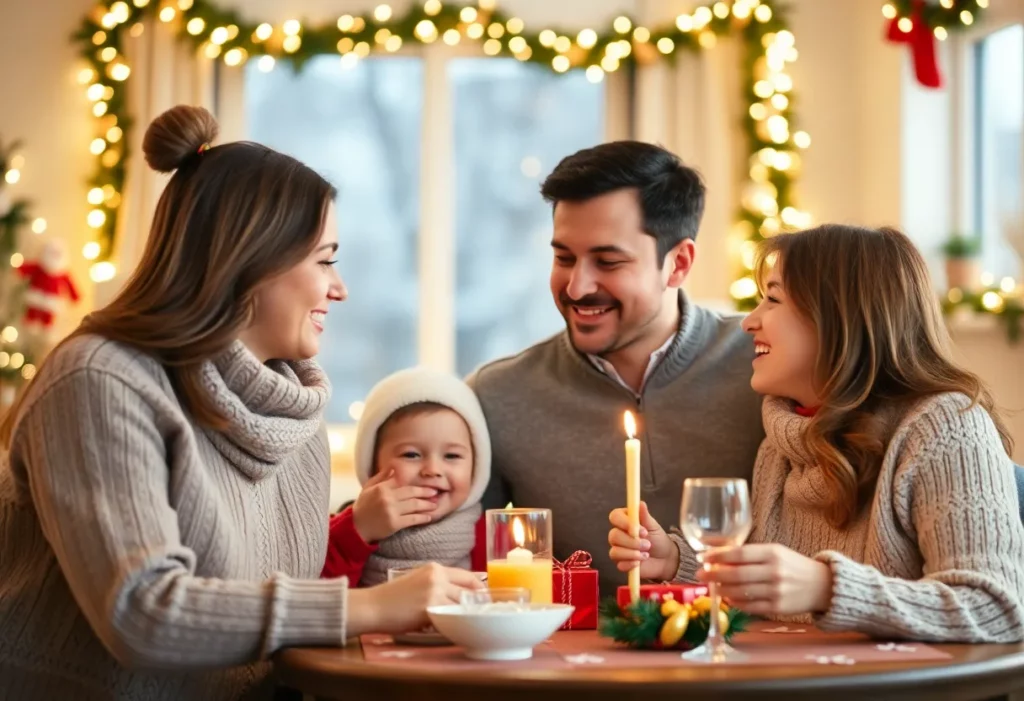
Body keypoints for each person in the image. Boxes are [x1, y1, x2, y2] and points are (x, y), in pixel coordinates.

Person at [0, 105, 481, 700]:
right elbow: (142, 612)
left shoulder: (295, 410)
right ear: (251, 261)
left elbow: (275, 628)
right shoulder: (101, 379)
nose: (340, 286)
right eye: (325, 260)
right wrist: (372, 607)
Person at [608, 224, 1024, 642]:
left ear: (839, 318)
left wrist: (827, 587)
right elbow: (769, 591)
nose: (749, 322)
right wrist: (674, 560)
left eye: (772, 299)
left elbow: (997, 608)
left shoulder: (947, 427)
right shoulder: (781, 444)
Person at [469, 141, 764, 594]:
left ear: (678, 264)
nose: (577, 285)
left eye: (608, 262)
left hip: (744, 654)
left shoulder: (764, 367)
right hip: (575, 659)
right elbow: (456, 557)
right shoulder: (497, 396)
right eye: (564, 257)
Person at [321, 367, 489, 584]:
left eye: (452, 455)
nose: (433, 469)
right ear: (371, 464)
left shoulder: (490, 537)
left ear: (477, 466)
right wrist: (359, 528)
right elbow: (313, 595)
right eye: (411, 454)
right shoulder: (338, 534)